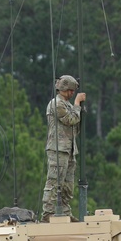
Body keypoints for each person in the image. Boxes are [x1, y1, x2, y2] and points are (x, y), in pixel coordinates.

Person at [41, 75, 86, 221]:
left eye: (73, 91)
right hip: (58, 149)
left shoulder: (67, 105)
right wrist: (78, 103)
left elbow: (75, 126)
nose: (72, 93)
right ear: (63, 89)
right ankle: (48, 212)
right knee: (54, 181)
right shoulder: (57, 104)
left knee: (68, 184)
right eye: (70, 90)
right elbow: (70, 120)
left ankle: (65, 211)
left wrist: (77, 108)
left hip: (69, 149)